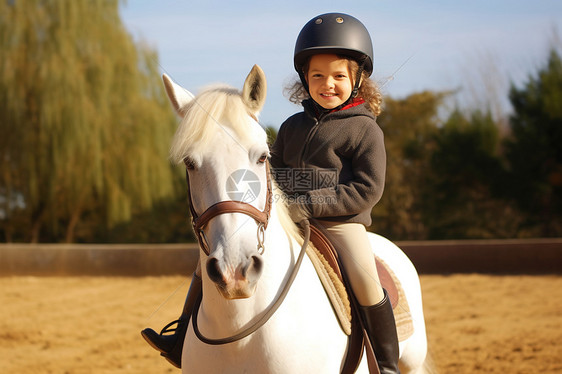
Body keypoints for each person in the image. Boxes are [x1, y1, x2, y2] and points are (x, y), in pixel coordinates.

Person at [270, 13, 401, 374]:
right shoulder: (290, 126)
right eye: (317, 76)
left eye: (339, 76)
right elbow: (277, 170)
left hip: (341, 225)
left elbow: (366, 189)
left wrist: (307, 204)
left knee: (366, 281)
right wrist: (276, 197)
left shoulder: (365, 130)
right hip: (287, 218)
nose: (328, 84)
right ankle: (183, 331)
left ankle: (387, 366)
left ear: (357, 79)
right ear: (304, 79)